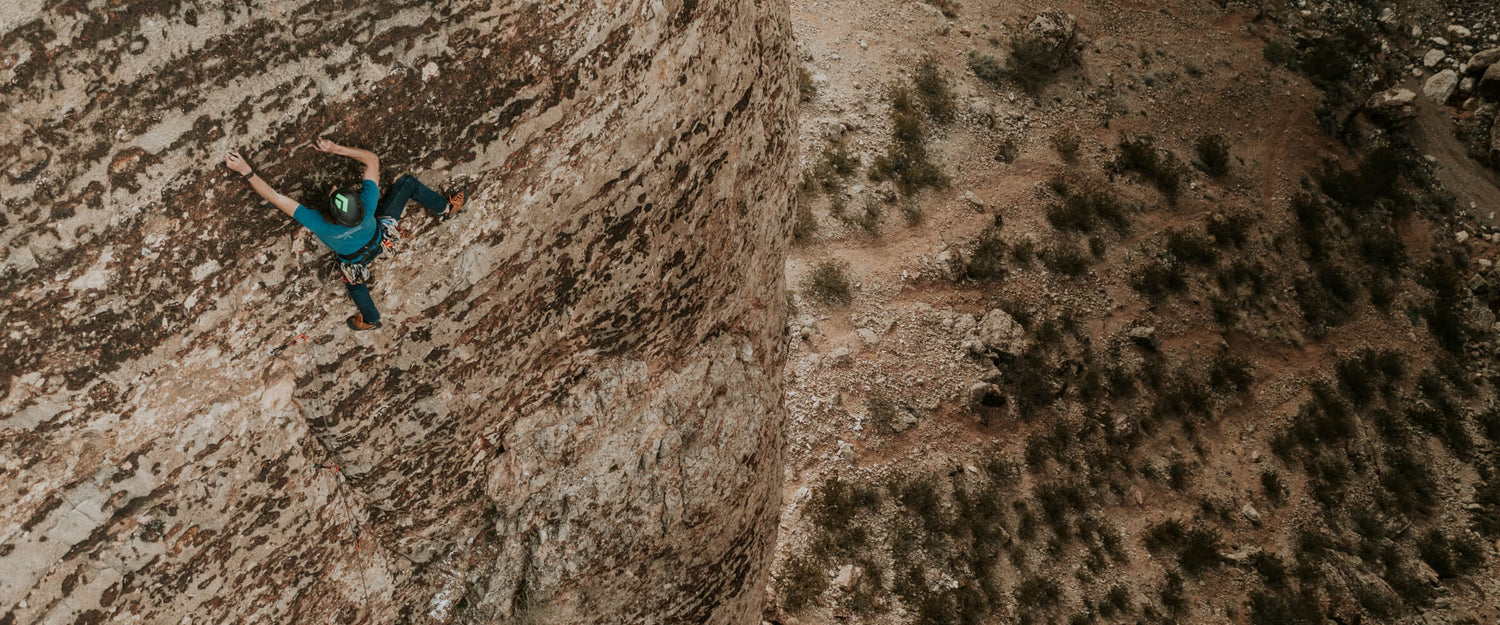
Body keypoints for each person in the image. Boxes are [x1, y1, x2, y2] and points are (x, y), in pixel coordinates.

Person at [223, 139, 464, 331]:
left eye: (335, 192)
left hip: (356, 260)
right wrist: (335, 148)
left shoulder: (321, 224)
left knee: (354, 281)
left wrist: (247, 171)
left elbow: (275, 197)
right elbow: (372, 160)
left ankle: (370, 318)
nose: (335, 187)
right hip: (380, 238)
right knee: (408, 183)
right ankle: (445, 207)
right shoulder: (368, 204)